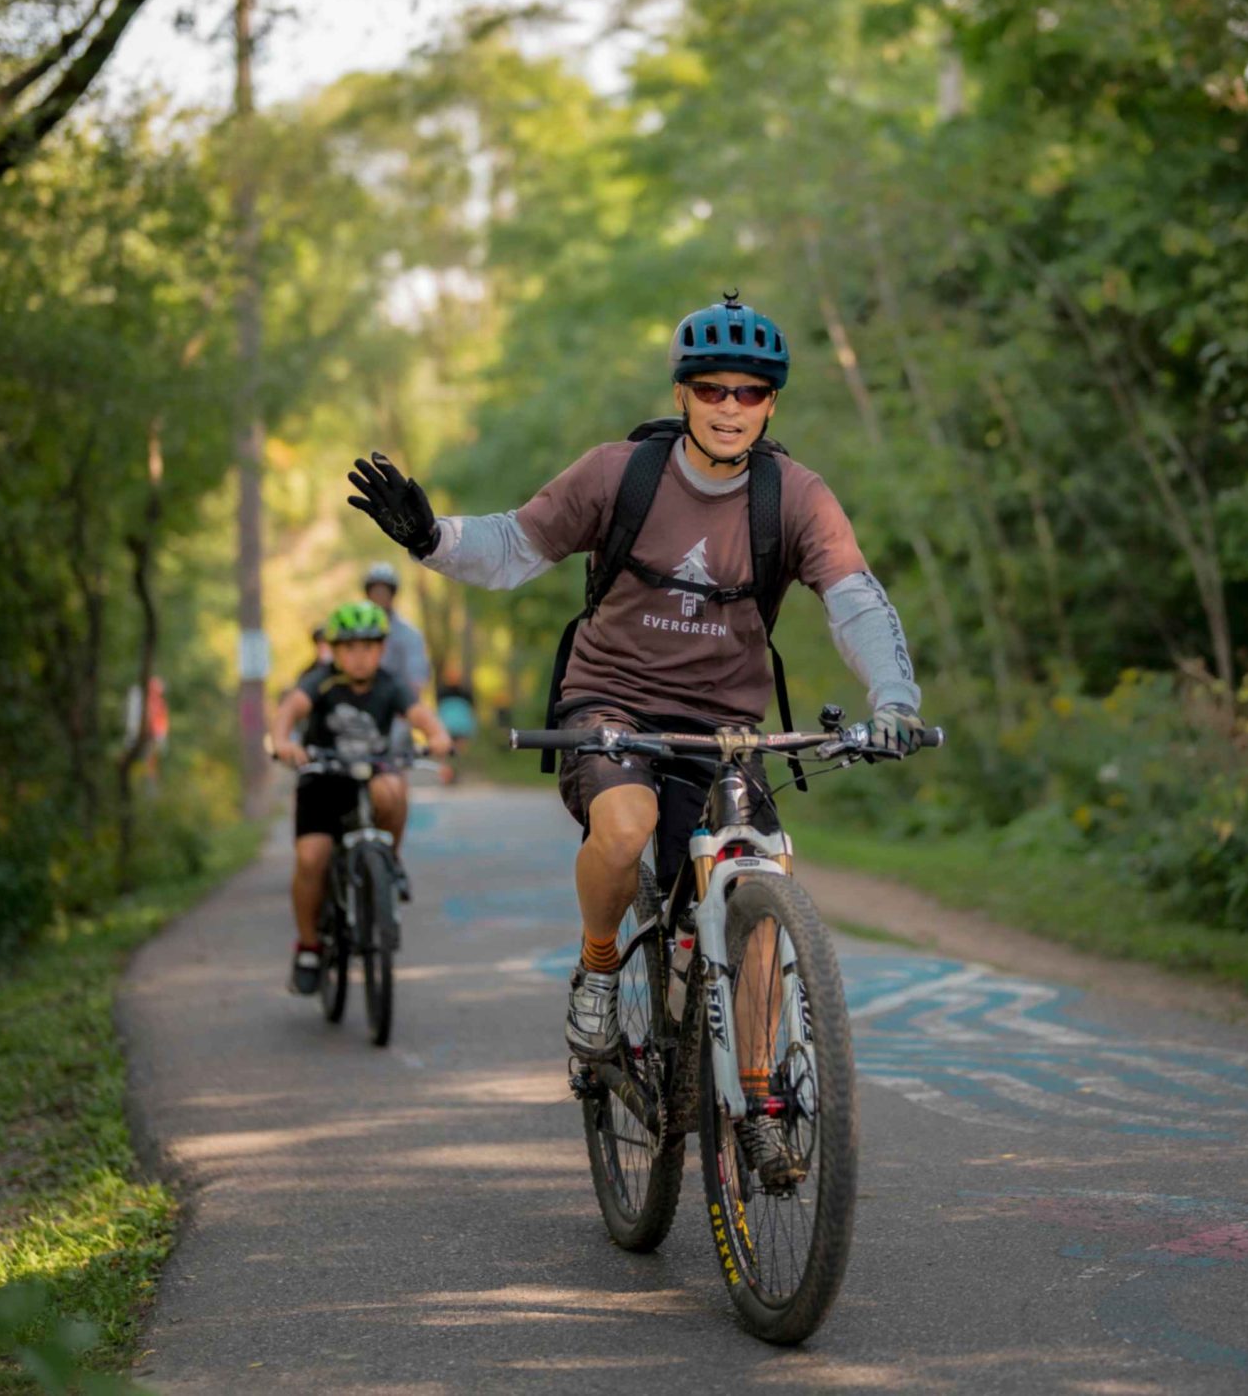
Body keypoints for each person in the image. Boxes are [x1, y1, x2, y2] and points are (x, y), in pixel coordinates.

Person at [348, 293, 924, 1171]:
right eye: (712, 389)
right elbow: (513, 545)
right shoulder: (621, 475)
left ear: (772, 403)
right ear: (684, 393)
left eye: (750, 392)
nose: (730, 406)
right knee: (626, 828)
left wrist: (894, 701)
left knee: (760, 893)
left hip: (724, 727)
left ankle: (760, 1095)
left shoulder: (795, 496)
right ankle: (599, 966)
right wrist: (430, 538)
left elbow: (855, 602)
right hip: (609, 700)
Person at [270, 600, 452, 995]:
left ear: (382, 649)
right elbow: (290, 710)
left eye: (368, 646)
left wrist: (436, 736)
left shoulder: (391, 685)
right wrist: (284, 741)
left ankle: (389, 861)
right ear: (334, 651)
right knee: (311, 858)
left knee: (393, 787)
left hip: (370, 775)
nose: (359, 656)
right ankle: (308, 948)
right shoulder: (319, 681)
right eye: (349, 647)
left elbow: (420, 714)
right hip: (322, 779)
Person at [362, 561, 434, 700]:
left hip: (395, 710)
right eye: (375, 592)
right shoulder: (352, 633)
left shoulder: (409, 636)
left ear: (392, 594)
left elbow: (416, 680)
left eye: (384, 592)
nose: (379, 597)